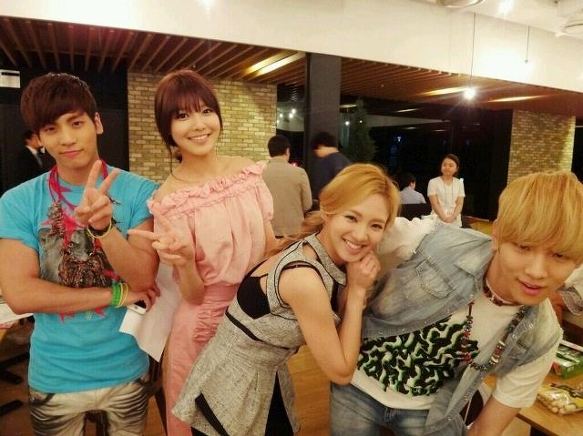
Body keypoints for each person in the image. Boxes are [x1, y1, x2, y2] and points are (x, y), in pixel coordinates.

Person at [331, 170, 583, 436]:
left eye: (559, 255)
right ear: (497, 235)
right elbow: (346, 240)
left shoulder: (541, 339)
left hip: (430, 412)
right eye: (523, 246)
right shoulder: (432, 241)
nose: (537, 271)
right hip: (357, 385)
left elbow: (485, 430)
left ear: (577, 261)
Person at [167, 163, 400, 436]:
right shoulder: (304, 278)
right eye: (351, 217)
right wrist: (358, 291)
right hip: (234, 387)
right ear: (328, 210)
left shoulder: (319, 248)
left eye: (375, 225)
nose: (361, 235)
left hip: (263, 373)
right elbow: (340, 372)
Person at [0, 73, 158, 435]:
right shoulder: (18, 201)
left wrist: (104, 228)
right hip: (56, 373)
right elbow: (20, 295)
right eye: (51, 129)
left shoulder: (140, 192)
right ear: (40, 138)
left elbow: (143, 278)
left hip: (126, 368)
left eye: (76, 123)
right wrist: (114, 294)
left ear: (96, 123)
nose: (67, 138)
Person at [130, 69, 276, 436]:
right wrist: (184, 263)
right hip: (203, 327)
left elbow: (271, 248)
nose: (198, 125)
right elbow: (193, 295)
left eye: (206, 111)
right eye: (182, 116)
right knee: (206, 425)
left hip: (254, 315)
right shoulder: (169, 199)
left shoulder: (246, 172)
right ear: (167, 129)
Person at [262, 134, 312, 237]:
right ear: (287, 151)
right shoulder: (299, 172)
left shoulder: (260, 173)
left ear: (270, 152)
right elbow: (308, 204)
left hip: (268, 232)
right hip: (294, 231)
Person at [310, 131, 351, 200]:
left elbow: (320, 188)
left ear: (320, 146)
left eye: (316, 151)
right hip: (347, 202)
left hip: (329, 203)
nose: (317, 154)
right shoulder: (347, 162)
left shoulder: (323, 163)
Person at [427, 153, 465, 226]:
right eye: (444, 165)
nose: (447, 167)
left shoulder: (459, 183)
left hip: (454, 219)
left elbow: (459, 204)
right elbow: (435, 204)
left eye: (450, 165)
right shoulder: (433, 182)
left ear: (456, 169)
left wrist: (452, 217)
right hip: (437, 218)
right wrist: (444, 218)